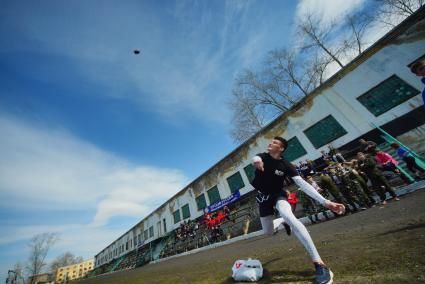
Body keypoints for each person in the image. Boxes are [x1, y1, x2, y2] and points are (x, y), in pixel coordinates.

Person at [251, 137, 345, 284]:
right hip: (263, 198)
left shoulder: (286, 165)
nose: (271, 143)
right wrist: (256, 161)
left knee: (289, 216)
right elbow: (256, 157)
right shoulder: (263, 156)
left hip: (278, 195)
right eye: (271, 141)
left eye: (275, 143)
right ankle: (282, 220)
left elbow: (303, 184)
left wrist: (326, 202)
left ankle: (320, 264)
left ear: (281, 148)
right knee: (268, 232)